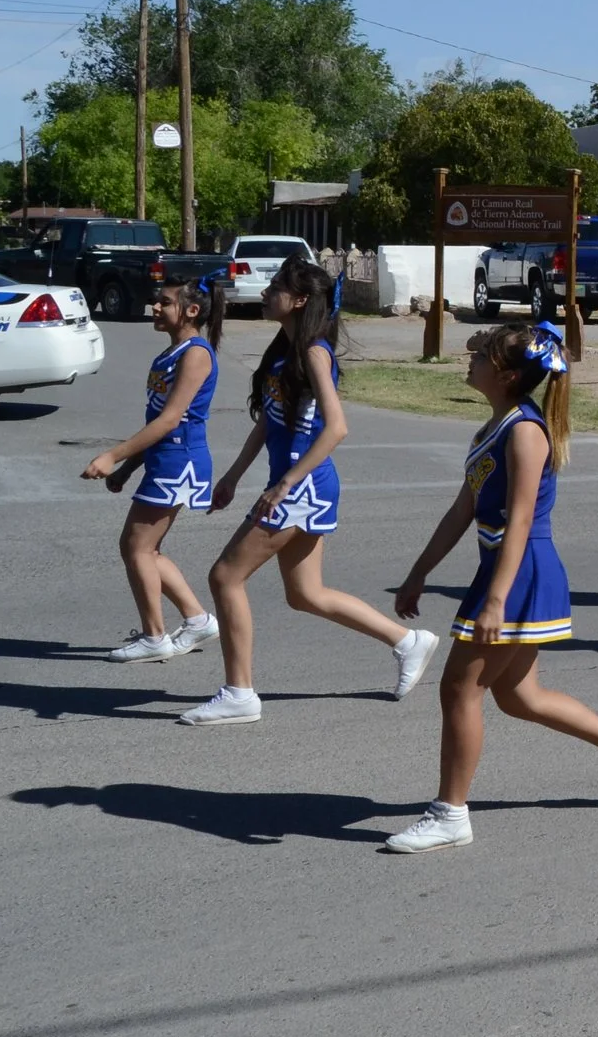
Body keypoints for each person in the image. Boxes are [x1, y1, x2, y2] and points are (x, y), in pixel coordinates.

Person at [381, 322, 598, 852]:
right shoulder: (494, 425)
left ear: (504, 375)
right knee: (519, 695)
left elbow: (522, 521)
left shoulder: (525, 431)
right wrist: (419, 572)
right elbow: (463, 509)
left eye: (481, 355)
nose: (471, 361)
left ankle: (450, 813)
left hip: (520, 570)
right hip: (505, 566)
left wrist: (498, 599)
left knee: (460, 688)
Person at [178, 257, 439, 726]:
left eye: (275, 285)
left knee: (224, 576)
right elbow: (270, 423)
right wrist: (235, 476)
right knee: (305, 594)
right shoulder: (283, 350)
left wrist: (284, 484)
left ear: (299, 299)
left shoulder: (315, 353)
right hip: (294, 485)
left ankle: (239, 692)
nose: (264, 291)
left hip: (302, 488)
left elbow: (336, 427)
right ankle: (407, 641)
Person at [84, 276, 225, 662]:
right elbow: (156, 420)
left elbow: (169, 421)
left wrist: (112, 455)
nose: (155, 307)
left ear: (191, 311)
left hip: (179, 460)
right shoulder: (171, 353)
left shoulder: (196, 353)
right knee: (146, 548)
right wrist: (128, 470)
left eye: (164, 302)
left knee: (136, 546)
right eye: (155, 301)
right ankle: (197, 621)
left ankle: (154, 636)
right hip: (163, 459)